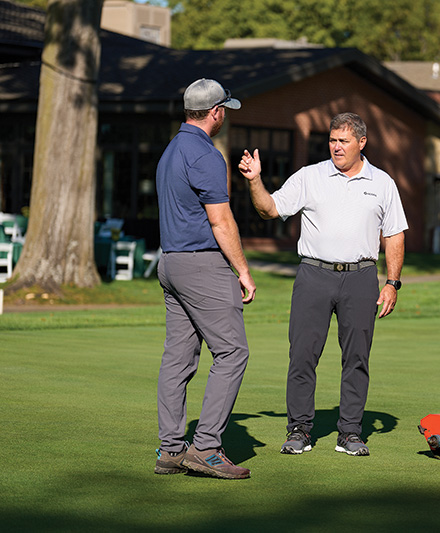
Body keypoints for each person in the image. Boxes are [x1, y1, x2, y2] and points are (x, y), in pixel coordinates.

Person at [238, 112, 407, 456]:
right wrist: (255, 181)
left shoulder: (383, 183)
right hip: (313, 276)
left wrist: (392, 283)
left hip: (361, 277)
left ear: (362, 143)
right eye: (332, 140)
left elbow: (394, 234)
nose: (336, 147)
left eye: (344, 141)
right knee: (302, 356)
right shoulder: (309, 176)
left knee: (357, 358)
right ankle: (299, 429)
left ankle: (350, 432)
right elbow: (270, 209)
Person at [154, 78, 256, 479]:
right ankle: (207, 448)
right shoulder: (206, 155)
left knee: (178, 358)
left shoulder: (171, 150)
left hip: (171, 264)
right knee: (232, 353)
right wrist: (243, 271)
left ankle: (172, 449)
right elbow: (220, 219)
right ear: (215, 112)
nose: (224, 115)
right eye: (224, 110)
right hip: (201, 266)